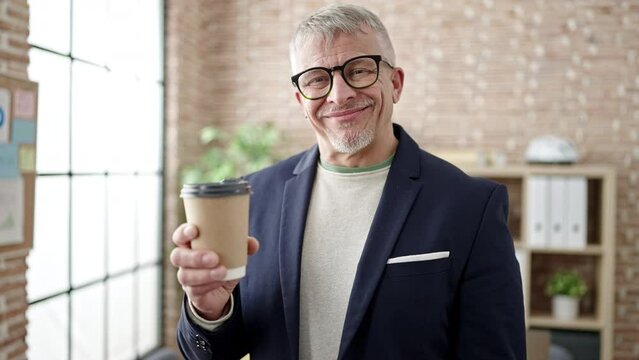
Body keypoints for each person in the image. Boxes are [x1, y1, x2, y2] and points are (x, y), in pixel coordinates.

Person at [171, 4, 526, 359]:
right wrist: (208, 311)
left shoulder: (471, 206)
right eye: (316, 79)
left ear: (396, 83)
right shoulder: (255, 196)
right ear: (300, 99)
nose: (339, 95)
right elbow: (211, 353)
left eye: (359, 70)